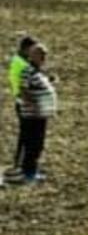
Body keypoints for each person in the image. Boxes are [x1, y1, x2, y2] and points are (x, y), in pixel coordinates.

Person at [16, 42, 55, 184]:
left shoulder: (37, 71)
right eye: (41, 55)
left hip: (40, 115)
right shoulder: (28, 70)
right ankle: (27, 175)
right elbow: (23, 89)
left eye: (45, 55)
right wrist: (33, 104)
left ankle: (32, 172)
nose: (44, 58)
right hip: (32, 115)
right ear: (33, 56)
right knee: (32, 145)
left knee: (38, 145)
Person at [6, 35, 37, 184]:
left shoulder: (19, 61)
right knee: (26, 137)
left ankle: (22, 167)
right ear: (26, 48)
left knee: (26, 136)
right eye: (33, 49)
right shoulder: (21, 64)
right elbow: (24, 84)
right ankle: (20, 168)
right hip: (25, 103)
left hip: (23, 102)